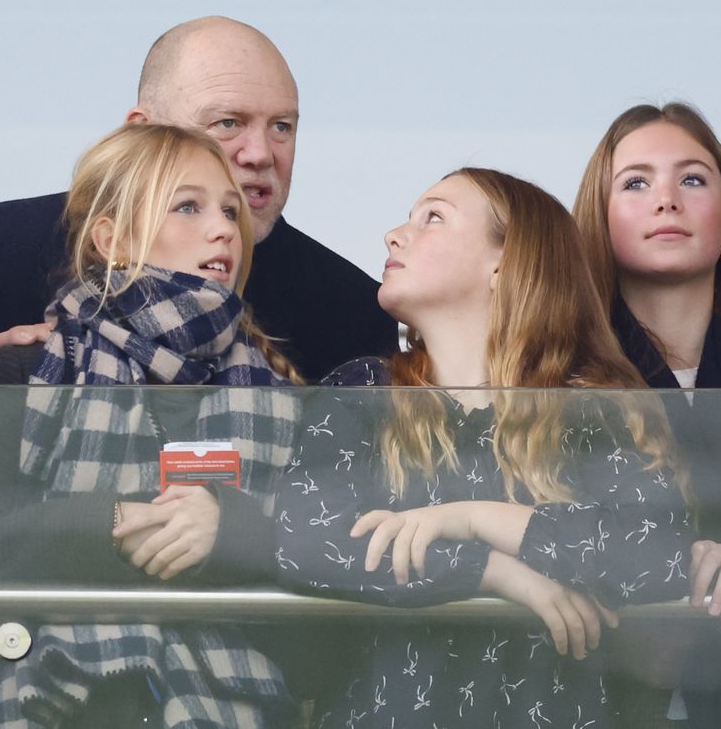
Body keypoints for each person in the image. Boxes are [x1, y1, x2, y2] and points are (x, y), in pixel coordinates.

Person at [274, 167, 693, 727]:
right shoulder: (363, 391)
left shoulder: (590, 409)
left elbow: (660, 556)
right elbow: (303, 540)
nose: (394, 235)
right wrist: (492, 573)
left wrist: (474, 518)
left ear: (504, 263)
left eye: (434, 217)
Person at [0, 123, 301, 728]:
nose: (223, 227)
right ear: (111, 238)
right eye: (187, 206)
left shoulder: (283, 392)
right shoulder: (26, 368)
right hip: (58, 702)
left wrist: (228, 530)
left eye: (229, 210)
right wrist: (109, 521)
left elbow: (323, 554)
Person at [0, 16, 398, 384]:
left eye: (282, 127)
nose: (260, 154)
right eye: (228, 123)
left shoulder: (350, 308)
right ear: (142, 131)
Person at [573, 102, 721, 727]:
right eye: (637, 182)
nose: (666, 199)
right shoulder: (552, 383)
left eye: (692, 179)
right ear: (602, 221)